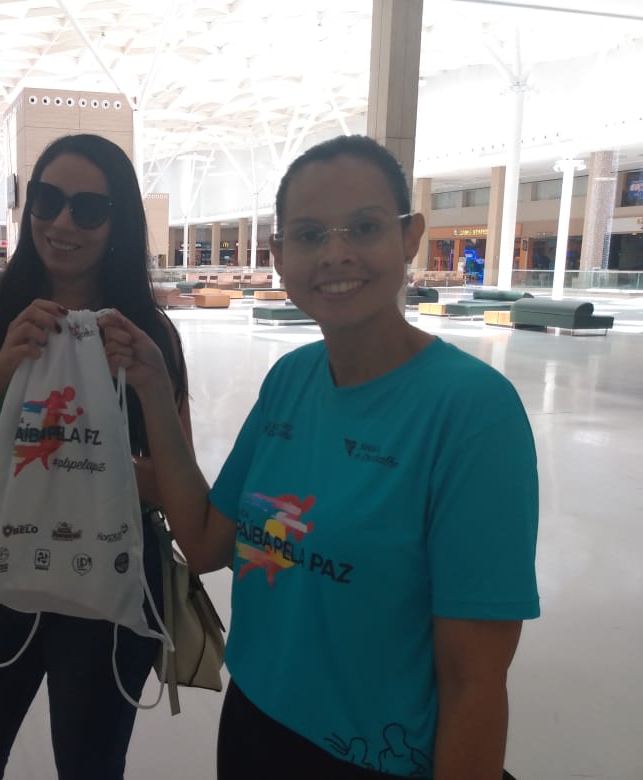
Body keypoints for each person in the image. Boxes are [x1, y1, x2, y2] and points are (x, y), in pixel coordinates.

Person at [100, 135, 539, 780]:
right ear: (280, 257)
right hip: (256, 725)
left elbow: (474, 683)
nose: (336, 254)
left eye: (365, 227)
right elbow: (206, 542)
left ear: (409, 237)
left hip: (377, 757)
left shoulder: (471, 413)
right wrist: (154, 393)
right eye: (309, 235)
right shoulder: (292, 380)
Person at [0, 133, 190, 780]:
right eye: (48, 199)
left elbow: (179, 489)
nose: (62, 223)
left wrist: (80, 458)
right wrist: (0, 368)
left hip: (108, 575)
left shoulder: (145, 334)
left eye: (89, 209)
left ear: (118, 224)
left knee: (91, 767)